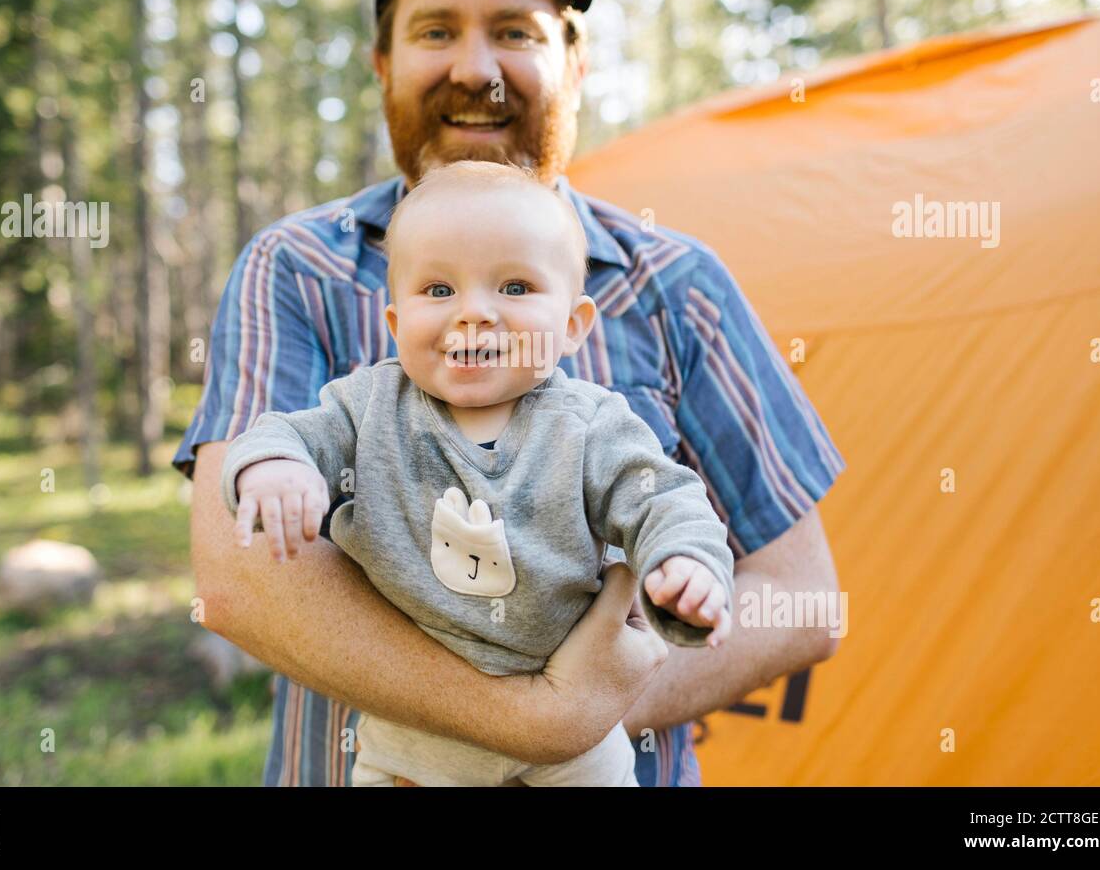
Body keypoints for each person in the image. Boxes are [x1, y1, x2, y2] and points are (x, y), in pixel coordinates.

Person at [176, 0, 846, 787]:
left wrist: (589, 717)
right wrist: (534, 718)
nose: (475, 68)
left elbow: (803, 601)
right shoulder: (296, 269)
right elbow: (240, 576)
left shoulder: (679, 283)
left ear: (575, 62)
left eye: (515, 31)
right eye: (436, 30)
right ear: (383, 62)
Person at [219, 161, 736, 786]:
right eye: (439, 291)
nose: (475, 314)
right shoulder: (367, 407)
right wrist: (276, 466)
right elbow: (285, 431)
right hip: (416, 730)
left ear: (572, 326)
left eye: (515, 288)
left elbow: (664, 499)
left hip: (577, 745)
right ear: (396, 323)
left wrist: (684, 562)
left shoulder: (592, 426)